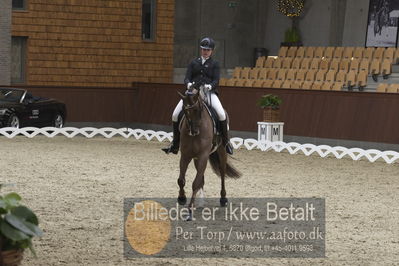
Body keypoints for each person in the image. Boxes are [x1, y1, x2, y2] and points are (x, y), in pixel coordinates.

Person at [162, 37, 233, 155]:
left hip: (208, 92)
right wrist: (189, 83)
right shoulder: (193, 62)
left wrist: (210, 86)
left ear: (212, 51)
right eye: (204, 49)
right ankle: (175, 143)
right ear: (201, 50)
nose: (205, 52)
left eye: (208, 50)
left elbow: (216, 80)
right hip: (193, 92)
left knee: (221, 113)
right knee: (175, 114)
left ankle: (226, 142)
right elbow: (187, 77)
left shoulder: (215, 64)